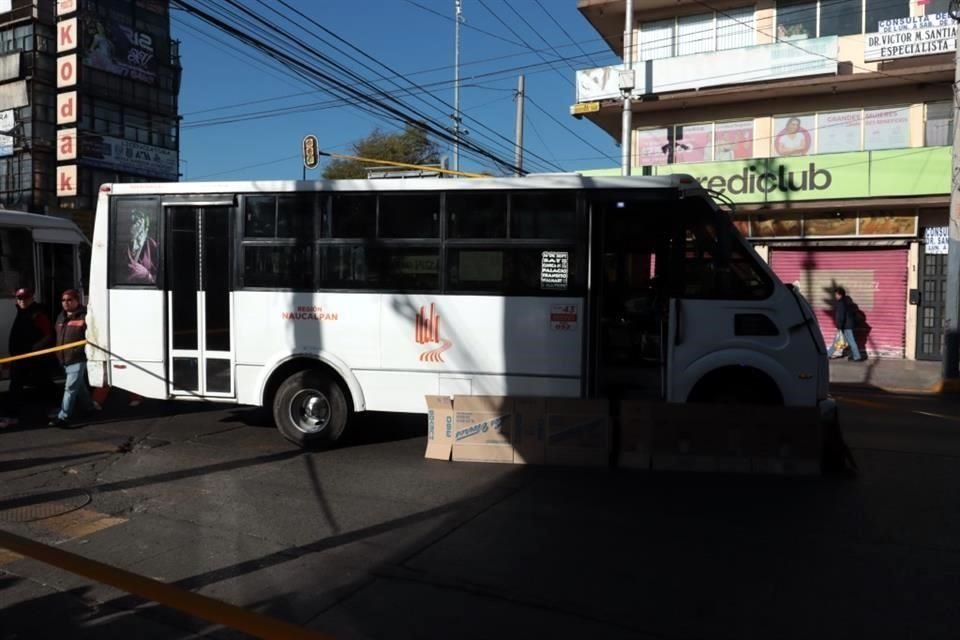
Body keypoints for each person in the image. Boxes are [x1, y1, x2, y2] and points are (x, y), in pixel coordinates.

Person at [0, 288, 55, 428]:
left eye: (25, 298)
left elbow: (48, 335)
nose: (22, 301)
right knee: (18, 385)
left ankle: (52, 410)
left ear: (32, 298)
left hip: (33, 357)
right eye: (20, 298)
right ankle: (12, 415)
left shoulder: (37, 314)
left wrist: (34, 349)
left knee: (41, 384)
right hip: (20, 357)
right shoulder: (21, 312)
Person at [49, 289, 95, 428]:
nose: (66, 303)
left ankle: (63, 417)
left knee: (70, 388)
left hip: (77, 359)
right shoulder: (60, 316)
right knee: (79, 386)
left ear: (77, 300)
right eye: (63, 300)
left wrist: (77, 351)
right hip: (64, 359)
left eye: (69, 300)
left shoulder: (85, 315)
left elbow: (92, 337)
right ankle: (89, 408)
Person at [827, 287, 864, 362]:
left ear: (840, 295)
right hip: (847, 325)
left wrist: (839, 326)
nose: (835, 296)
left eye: (836, 294)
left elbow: (841, 316)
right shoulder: (847, 302)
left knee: (850, 341)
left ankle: (857, 357)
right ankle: (829, 354)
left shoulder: (841, 303)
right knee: (837, 341)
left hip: (845, 326)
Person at [126, 208, 159, 284]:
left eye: (140, 234)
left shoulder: (152, 245)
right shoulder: (121, 247)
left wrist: (147, 275)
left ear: (146, 232)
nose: (135, 245)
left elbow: (160, 279)